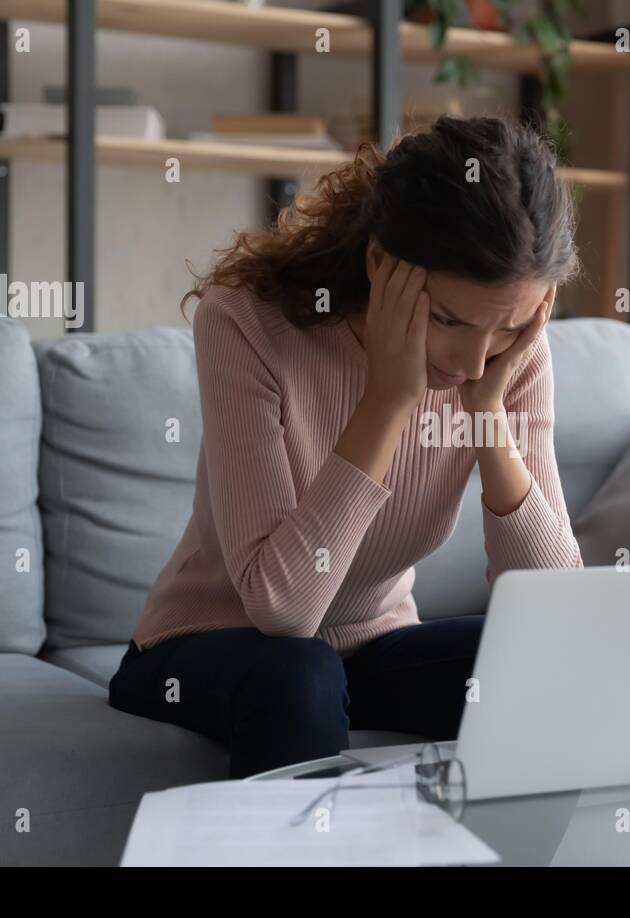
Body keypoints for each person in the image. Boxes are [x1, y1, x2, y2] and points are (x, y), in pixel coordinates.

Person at [109, 115, 585, 778]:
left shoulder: (509, 359)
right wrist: (387, 400)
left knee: (548, 660)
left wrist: (487, 420)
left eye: (504, 328)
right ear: (381, 264)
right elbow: (282, 610)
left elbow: (555, 610)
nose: (476, 361)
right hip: (207, 648)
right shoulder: (246, 326)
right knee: (298, 674)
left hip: (371, 650)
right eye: (449, 320)